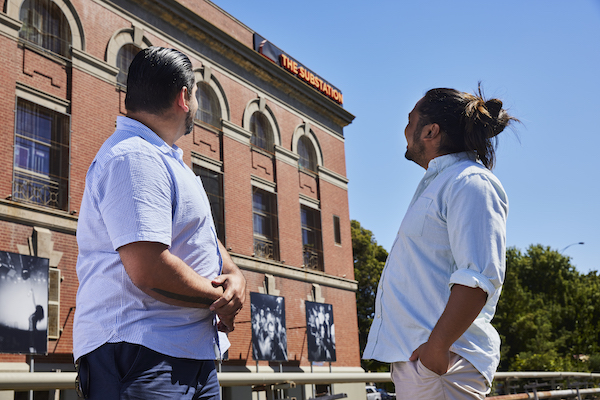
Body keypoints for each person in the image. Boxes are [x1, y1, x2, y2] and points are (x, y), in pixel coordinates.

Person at [73, 47, 246, 399]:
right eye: (197, 94)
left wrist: (235, 276)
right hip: (142, 352)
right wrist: (221, 298)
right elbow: (149, 270)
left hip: (185, 353)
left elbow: (200, 237)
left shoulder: (163, 159)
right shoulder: (134, 157)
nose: (196, 104)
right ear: (184, 97)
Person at [363, 86, 517, 399]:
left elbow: (478, 278)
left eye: (410, 121)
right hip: (428, 362)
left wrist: (437, 349)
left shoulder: (471, 182)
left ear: (431, 131)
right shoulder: (444, 181)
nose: (405, 130)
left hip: (443, 364)